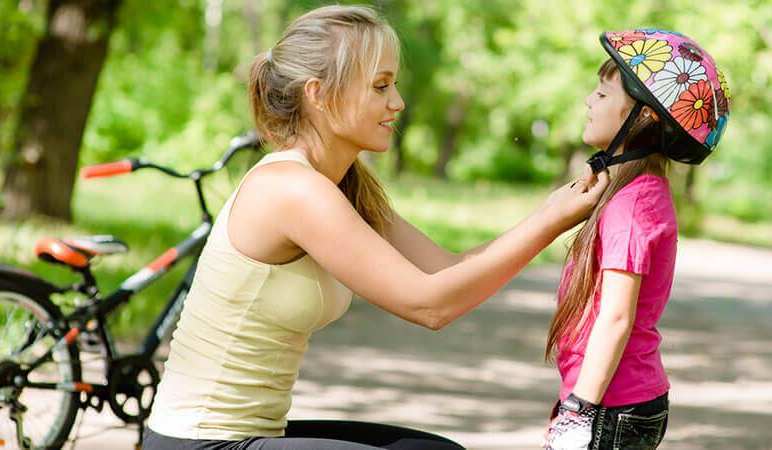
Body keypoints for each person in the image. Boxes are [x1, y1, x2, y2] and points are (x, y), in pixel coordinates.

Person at [143, 5, 608, 450]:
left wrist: (551, 210)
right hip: (202, 441)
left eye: (394, 84)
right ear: (318, 95)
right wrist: (549, 223)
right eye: (380, 86)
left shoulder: (342, 183)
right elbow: (430, 306)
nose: (397, 102)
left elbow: (444, 270)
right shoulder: (291, 189)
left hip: (252, 432)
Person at [542, 29, 730, 450]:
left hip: (610, 405)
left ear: (644, 117)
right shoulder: (638, 192)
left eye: (601, 94)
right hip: (612, 399)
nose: (588, 101)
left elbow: (616, 318)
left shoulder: (632, 206)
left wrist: (578, 410)